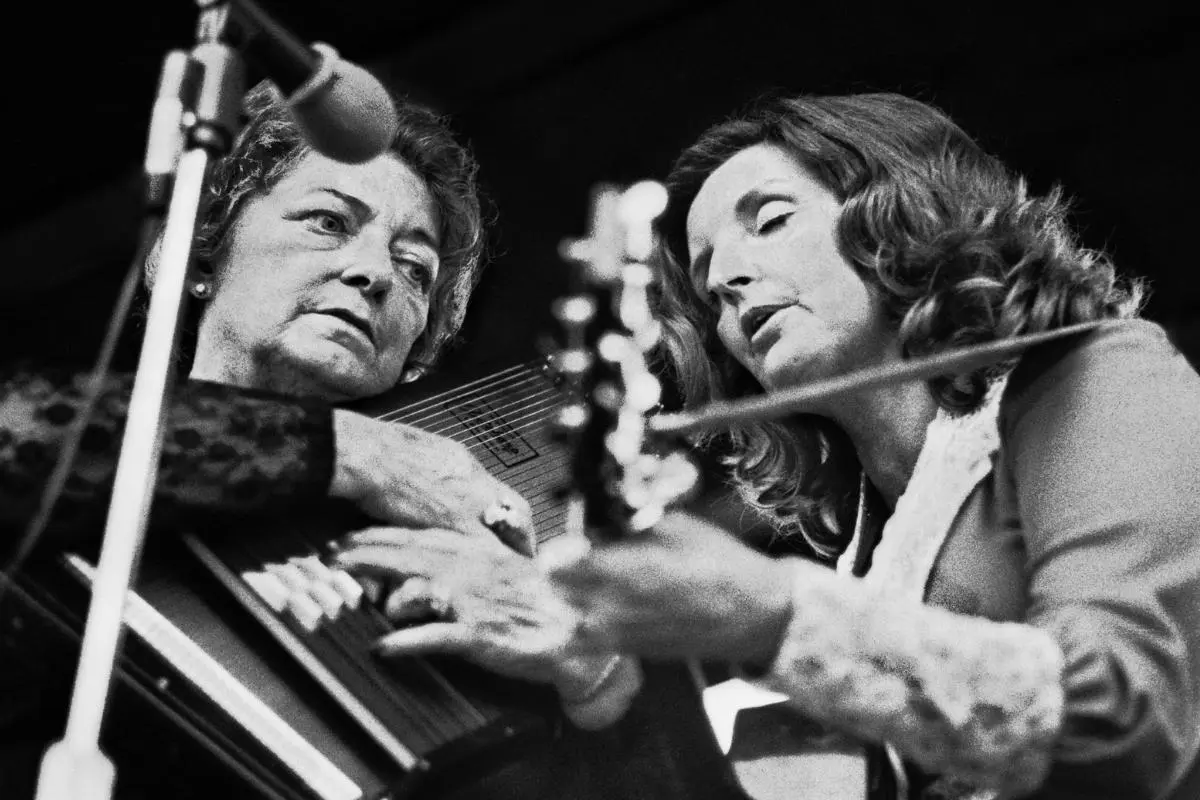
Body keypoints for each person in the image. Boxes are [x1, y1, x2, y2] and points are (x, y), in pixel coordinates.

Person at [544, 92, 1200, 800]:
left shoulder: (1102, 370)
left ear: (899, 212)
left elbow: (1131, 722)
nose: (727, 281)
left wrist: (777, 615)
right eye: (708, 289)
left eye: (769, 220)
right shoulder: (861, 563)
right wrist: (587, 679)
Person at [0, 80, 634, 744]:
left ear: (417, 345)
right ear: (204, 251)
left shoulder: (454, 544)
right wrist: (359, 452)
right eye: (328, 222)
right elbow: (18, 431)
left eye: (415, 268)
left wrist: (589, 672)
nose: (375, 273)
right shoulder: (77, 440)